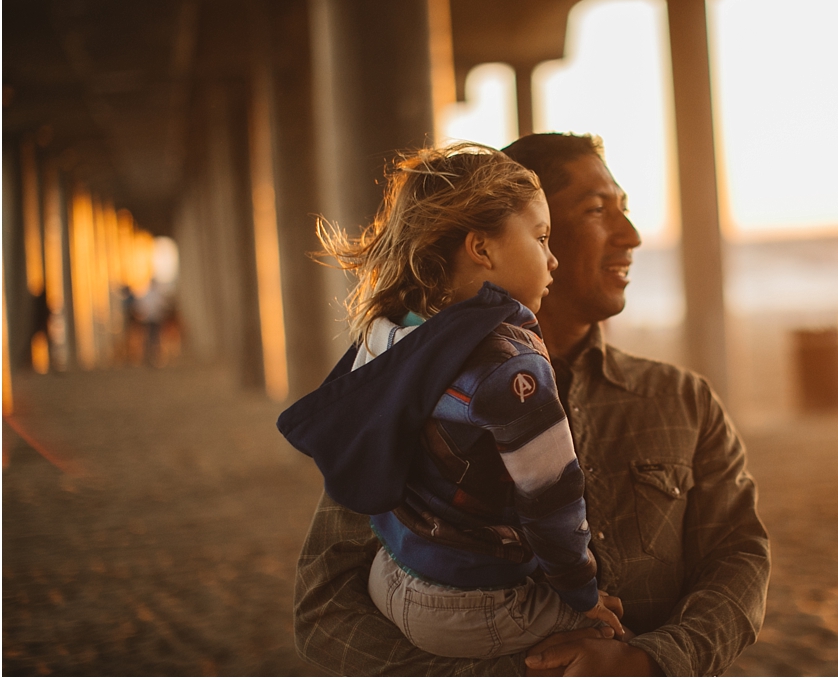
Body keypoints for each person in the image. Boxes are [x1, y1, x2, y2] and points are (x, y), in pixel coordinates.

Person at [292, 133, 771, 676]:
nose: (632, 235)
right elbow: (324, 607)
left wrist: (647, 659)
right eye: (595, 209)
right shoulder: (409, 391)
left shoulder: (683, 401)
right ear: (493, 238)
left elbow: (740, 559)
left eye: (626, 209)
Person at [277, 145, 624, 659]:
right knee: (616, 637)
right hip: (469, 606)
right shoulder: (511, 364)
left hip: (390, 576)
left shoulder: (391, 334)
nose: (553, 259)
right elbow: (553, 500)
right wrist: (581, 595)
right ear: (482, 249)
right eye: (541, 237)